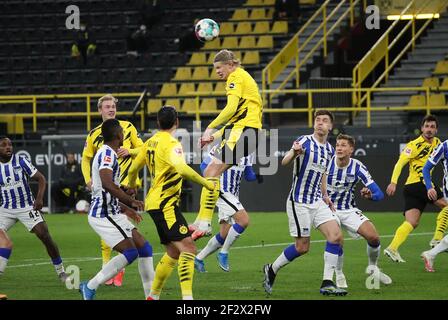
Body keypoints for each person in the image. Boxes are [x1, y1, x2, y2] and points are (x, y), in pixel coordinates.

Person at [127, 106, 215, 300]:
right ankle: (187, 299)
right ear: (177, 122)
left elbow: (133, 168)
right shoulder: (172, 143)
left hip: (156, 203)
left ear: (158, 123)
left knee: (174, 252)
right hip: (165, 204)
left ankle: (153, 296)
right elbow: (182, 169)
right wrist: (206, 183)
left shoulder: (151, 141)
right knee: (189, 249)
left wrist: (133, 186)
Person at [262, 110, 347, 296]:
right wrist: (294, 152)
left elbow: (323, 173)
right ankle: (272, 269)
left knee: (336, 236)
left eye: (325, 121)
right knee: (302, 247)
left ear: (330, 127)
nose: (320, 123)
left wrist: (325, 195)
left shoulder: (329, 150)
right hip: (299, 201)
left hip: (317, 200)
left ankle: (327, 283)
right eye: (318, 120)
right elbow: (284, 162)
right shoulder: (305, 141)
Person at [190, 49, 263, 240]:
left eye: (219, 67)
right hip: (244, 132)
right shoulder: (242, 79)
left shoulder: (235, 77)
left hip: (244, 133)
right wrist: (212, 137)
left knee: (210, 173)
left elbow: (230, 109)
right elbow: (234, 120)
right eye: (215, 69)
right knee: (211, 173)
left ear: (230, 64)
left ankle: (204, 222)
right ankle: (201, 221)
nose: (217, 72)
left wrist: (210, 126)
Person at [78, 119, 154, 300]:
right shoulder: (106, 154)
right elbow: (106, 183)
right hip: (103, 214)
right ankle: (90, 287)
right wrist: (130, 200)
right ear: (118, 135)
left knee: (145, 249)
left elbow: (107, 189)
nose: (124, 134)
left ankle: (151, 297)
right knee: (130, 252)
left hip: (112, 211)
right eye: (122, 131)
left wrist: (127, 208)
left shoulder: (110, 153)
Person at [81, 94, 144, 287]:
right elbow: (85, 158)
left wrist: (130, 151)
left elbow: (143, 149)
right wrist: (89, 180)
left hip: (125, 185)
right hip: (108, 186)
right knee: (110, 228)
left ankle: (117, 269)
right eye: (107, 106)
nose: (111, 109)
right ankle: (108, 268)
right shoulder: (94, 134)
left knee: (121, 227)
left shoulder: (128, 127)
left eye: (113, 106)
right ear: (100, 110)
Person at [325, 134, 391, 288]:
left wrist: (369, 196)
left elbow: (379, 194)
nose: (339, 148)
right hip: (327, 209)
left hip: (348, 209)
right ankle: (339, 273)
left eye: (343, 145)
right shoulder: (326, 163)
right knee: (337, 240)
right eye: (338, 145)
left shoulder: (358, 167)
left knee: (374, 237)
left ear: (351, 150)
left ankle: (372, 268)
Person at [0, 136, 67, 284]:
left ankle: (61, 271)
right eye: (4, 145)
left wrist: (39, 198)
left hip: (26, 207)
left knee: (44, 235)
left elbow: (41, 179)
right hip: (5, 209)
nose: (8, 147)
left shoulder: (20, 161)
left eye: (10, 144)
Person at [384, 115, 448, 263]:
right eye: (427, 126)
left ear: (436, 130)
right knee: (446, 206)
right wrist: (393, 182)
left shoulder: (438, 144)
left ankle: (392, 248)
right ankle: (437, 239)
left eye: (432, 127)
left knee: (412, 222)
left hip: (411, 188)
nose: (429, 130)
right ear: (421, 128)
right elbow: (400, 164)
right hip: (421, 185)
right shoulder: (413, 145)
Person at [194, 149, 261, 273]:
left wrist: (256, 176)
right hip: (221, 191)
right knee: (244, 221)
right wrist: (212, 181)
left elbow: (248, 174)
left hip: (233, 194)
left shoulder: (250, 151)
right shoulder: (224, 146)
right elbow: (204, 165)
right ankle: (223, 253)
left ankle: (198, 258)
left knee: (224, 235)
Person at [421, 139, 448, 272]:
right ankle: (431, 254)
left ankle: (431, 254)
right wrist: (429, 187)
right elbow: (426, 168)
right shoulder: (444, 146)